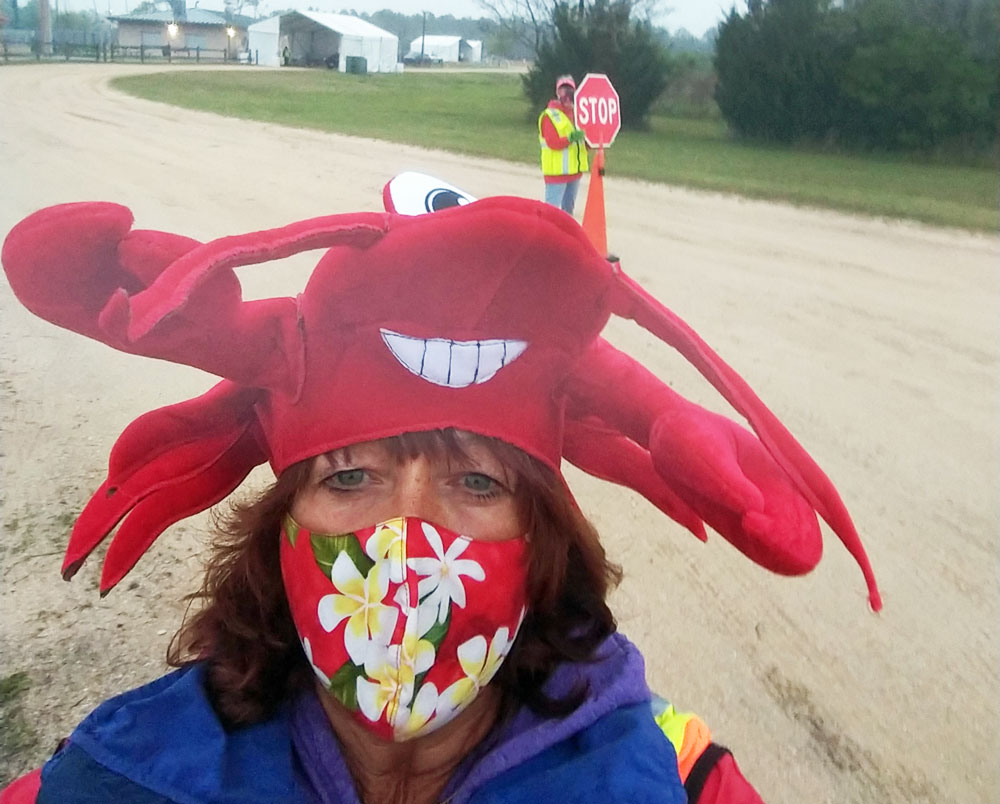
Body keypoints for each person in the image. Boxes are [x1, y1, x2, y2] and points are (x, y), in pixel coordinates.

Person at [0, 182, 881, 804]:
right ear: (280, 526)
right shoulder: (124, 772)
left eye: (474, 481)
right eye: (349, 476)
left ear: (543, 536)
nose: (407, 536)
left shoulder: (669, 778)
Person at [538, 75, 589, 215]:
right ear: (557, 92)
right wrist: (570, 138)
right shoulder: (550, 115)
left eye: (570, 89)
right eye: (563, 89)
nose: (566, 93)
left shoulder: (579, 114)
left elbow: (582, 145)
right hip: (556, 174)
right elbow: (552, 143)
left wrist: (592, 140)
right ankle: (546, 237)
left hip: (575, 172)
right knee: (551, 214)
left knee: (568, 214)